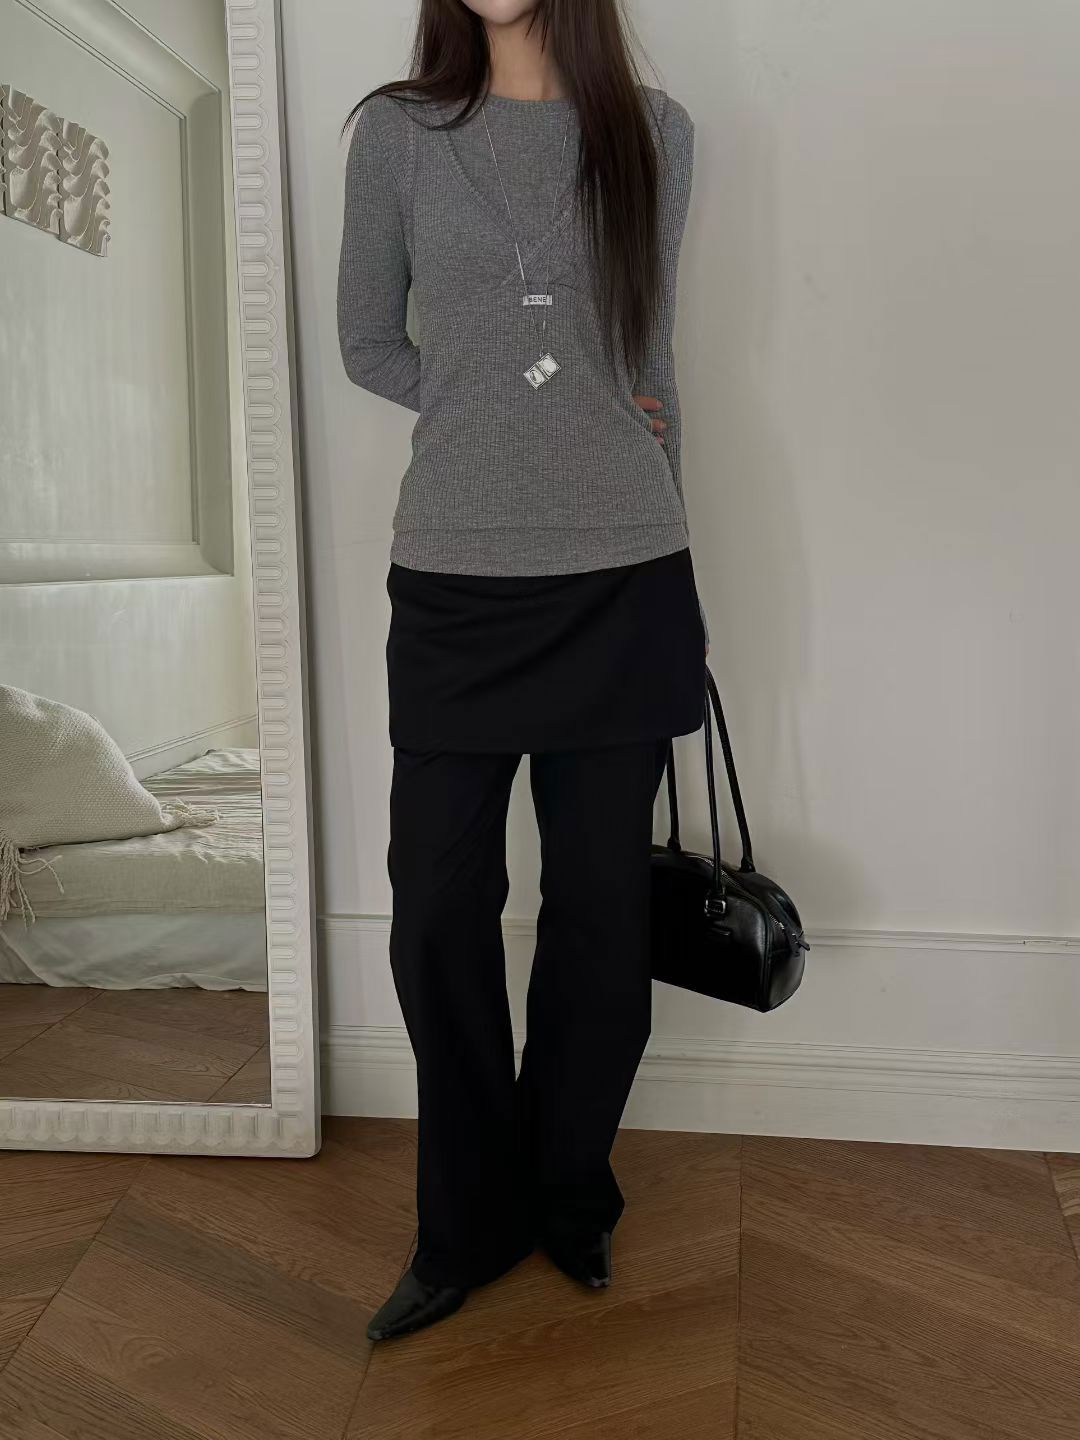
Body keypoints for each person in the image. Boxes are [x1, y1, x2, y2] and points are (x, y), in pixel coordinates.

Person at [337, 0, 709, 1342]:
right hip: (455, 575)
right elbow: (368, 341)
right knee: (437, 907)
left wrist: (666, 510)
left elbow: (649, 358)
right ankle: (465, 1223)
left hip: (624, 571)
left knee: (602, 912)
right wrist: (489, 400)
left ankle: (568, 1194)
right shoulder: (397, 133)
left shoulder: (655, 133)